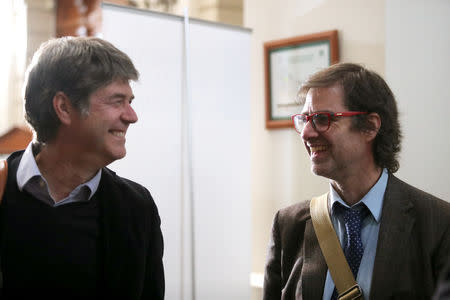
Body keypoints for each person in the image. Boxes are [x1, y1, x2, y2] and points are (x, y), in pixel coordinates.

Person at [263, 62, 450, 300]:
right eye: (304, 119)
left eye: (322, 118)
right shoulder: (288, 226)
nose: (306, 133)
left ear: (370, 126)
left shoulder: (439, 224)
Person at [1, 37, 164, 299]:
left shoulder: (137, 208)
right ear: (64, 107)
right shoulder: (2, 192)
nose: (132, 116)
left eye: (130, 101)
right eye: (117, 101)